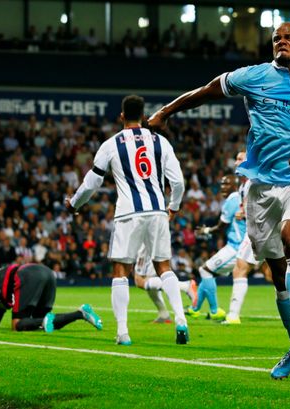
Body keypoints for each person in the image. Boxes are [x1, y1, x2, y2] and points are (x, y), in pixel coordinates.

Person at [148, 22, 290, 379]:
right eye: (277, 38)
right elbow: (204, 92)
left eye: (288, 37)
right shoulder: (252, 76)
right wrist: (164, 113)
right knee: (275, 270)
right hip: (260, 187)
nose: (281, 42)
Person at [66, 95, 189, 346]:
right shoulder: (161, 142)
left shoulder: (111, 144)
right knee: (164, 266)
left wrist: (75, 203)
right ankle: (181, 320)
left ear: (121, 117)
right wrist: (173, 206)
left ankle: (122, 333)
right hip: (157, 211)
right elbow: (178, 182)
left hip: (127, 213)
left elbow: (92, 182)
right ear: (144, 117)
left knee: (121, 271)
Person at [223, 152, 290, 325]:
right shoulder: (244, 186)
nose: (237, 162)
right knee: (272, 274)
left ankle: (233, 315)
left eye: (241, 159)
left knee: (240, 268)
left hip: (259, 230)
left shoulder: (258, 181)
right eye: (236, 159)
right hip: (258, 228)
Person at [0, 264, 102, 332]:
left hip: (27, 275)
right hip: (47, 273)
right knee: (42, 322)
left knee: (17, 324)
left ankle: (75, 314)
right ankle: (80, 313)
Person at [187, 174, 246, 320]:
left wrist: (206, 230)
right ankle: (195, 309)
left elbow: (221, 227)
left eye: (226, 184)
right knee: (207, 271)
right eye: (221, 184)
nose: (222, 187)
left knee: (205, 270)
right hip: (239, 245)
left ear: (235, 185)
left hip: (236, 247)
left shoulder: (232, 201)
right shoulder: (242, 199)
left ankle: (214, 311)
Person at [134, 245, 198, 323]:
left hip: (147, 242)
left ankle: (185, 286)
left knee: (140, 280)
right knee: (150, 278)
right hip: (157, 240)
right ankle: (163, 315)